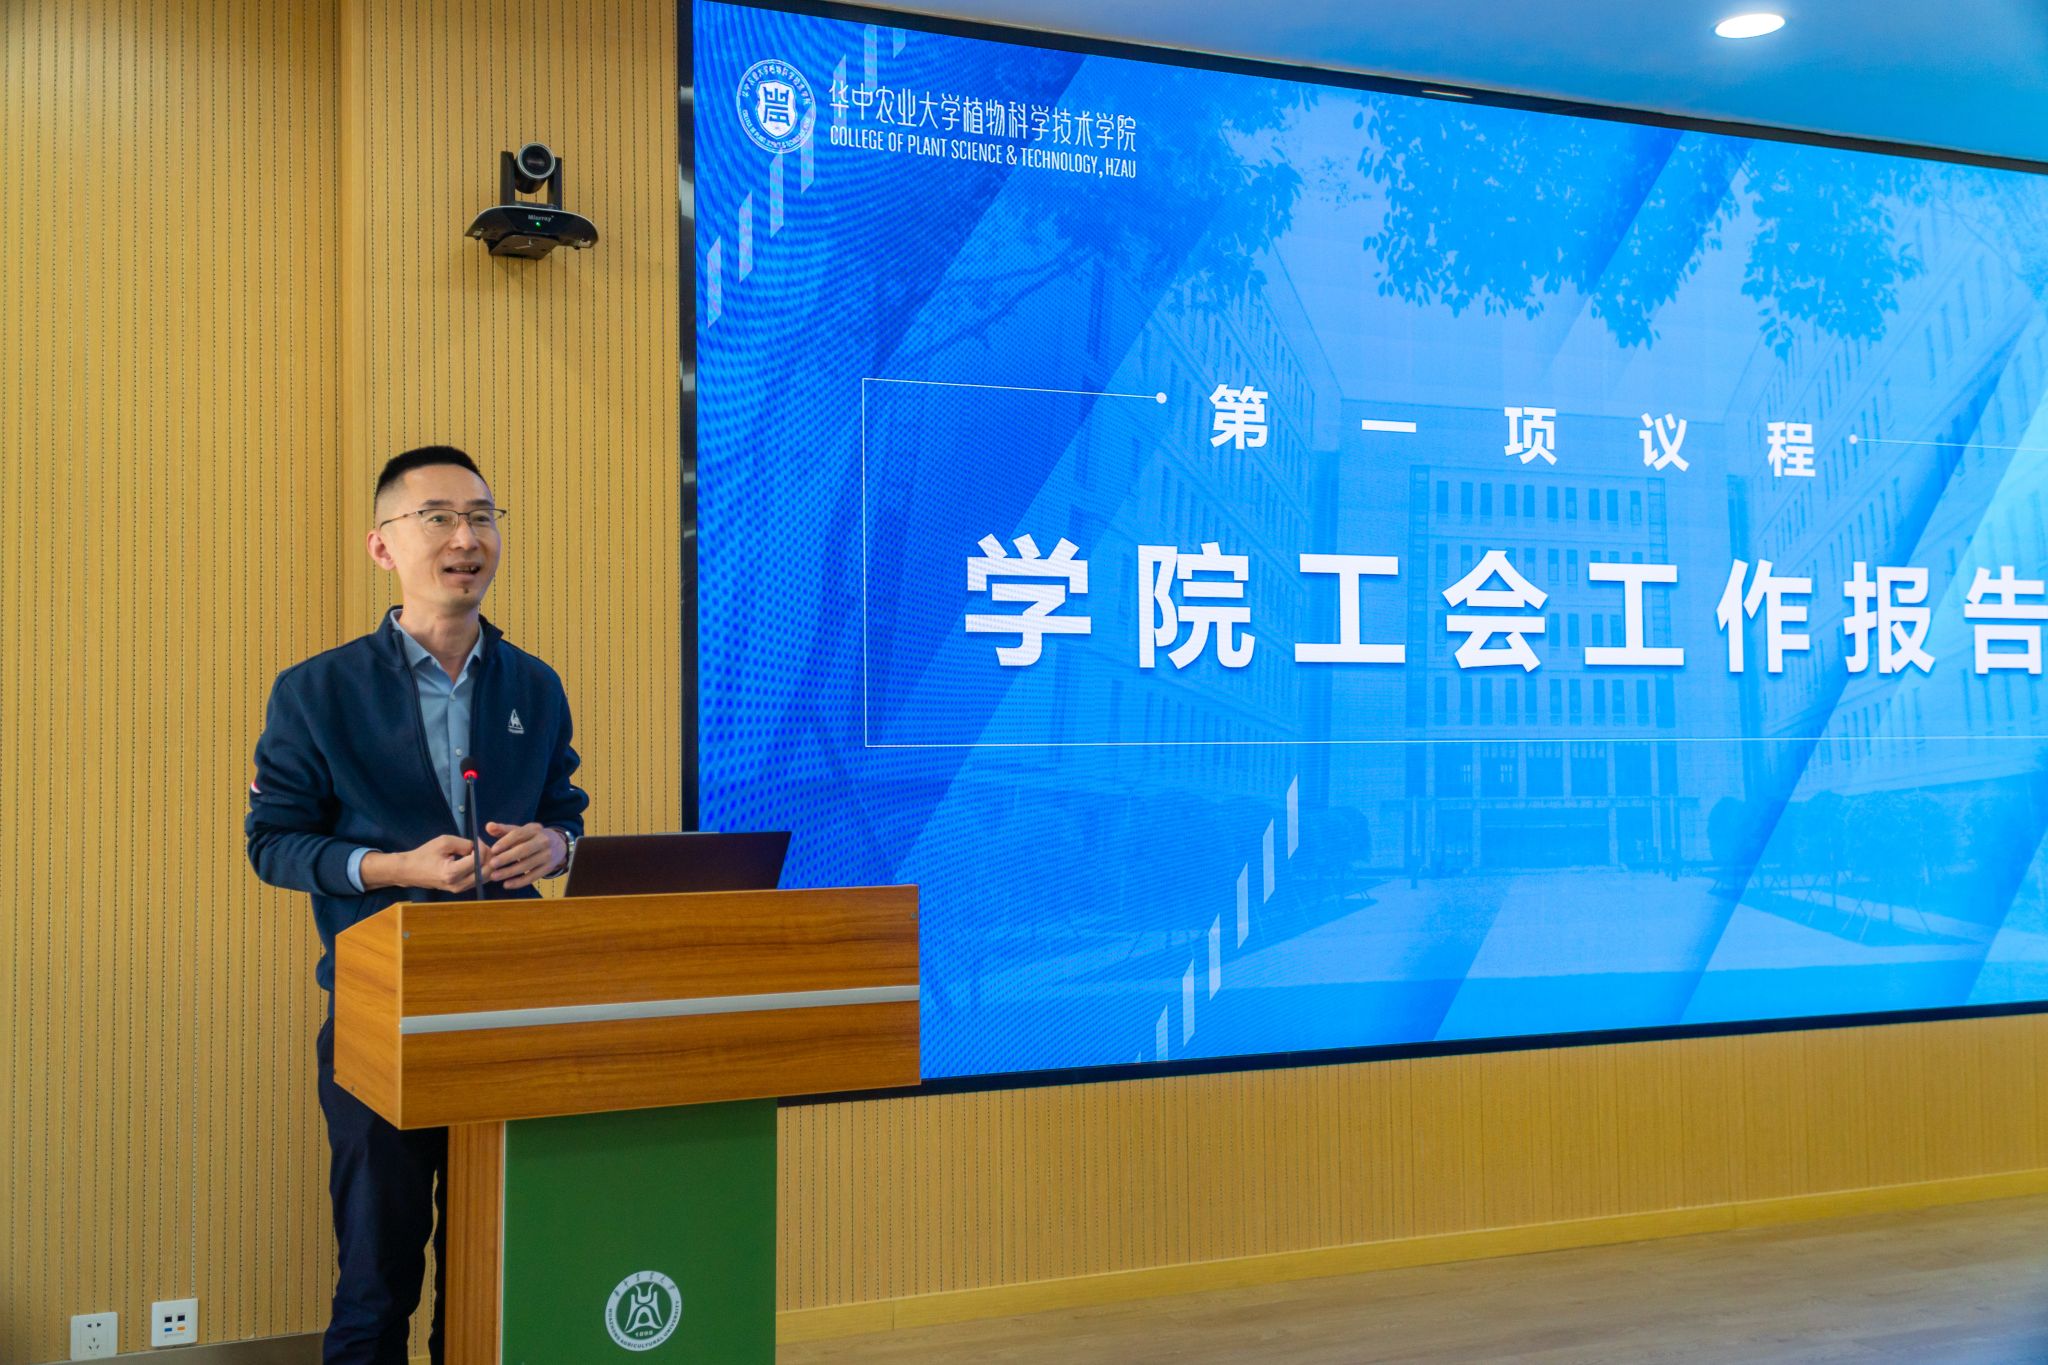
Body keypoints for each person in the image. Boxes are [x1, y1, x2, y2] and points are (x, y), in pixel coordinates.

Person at [246, 445, 588, 1365]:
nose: (465, 538)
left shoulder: (534, 684)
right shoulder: (317, 691)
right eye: (437, 517)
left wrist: (556, 846)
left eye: (481, 517)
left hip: (507, 1011)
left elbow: (565, 810)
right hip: (381, 1014)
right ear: (383, 546)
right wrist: (395, 866)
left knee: (493, 1264)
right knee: (378, 1272)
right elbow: (273, 844)